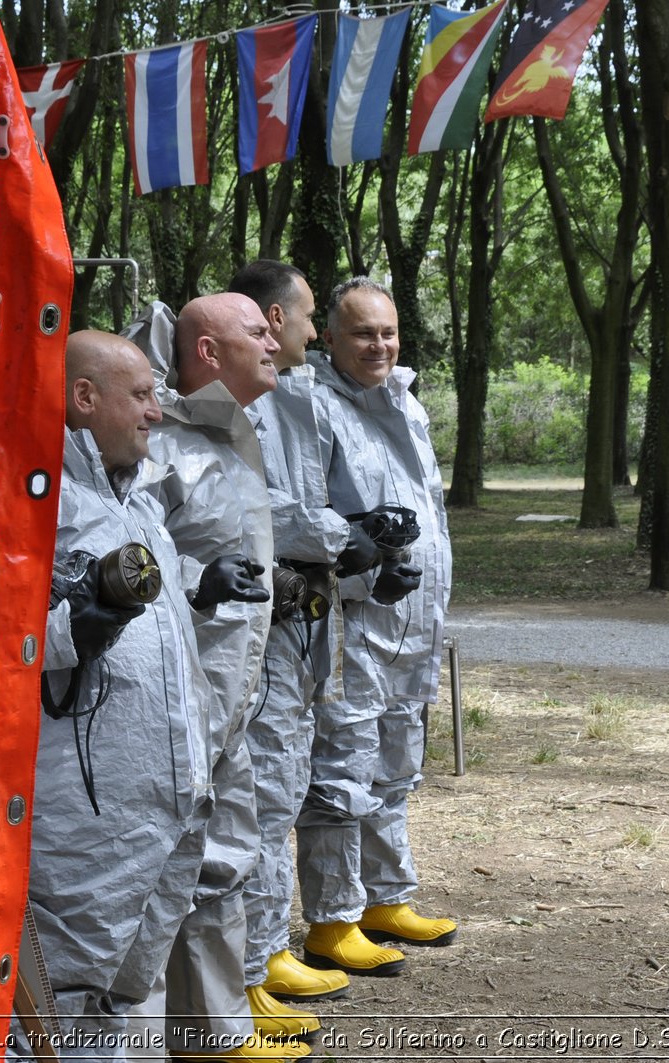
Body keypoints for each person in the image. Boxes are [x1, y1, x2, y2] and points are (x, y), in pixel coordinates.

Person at [18, 330, 214, 1063]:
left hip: (165, 807)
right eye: (141, 395)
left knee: (119, 996)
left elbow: (155, 632)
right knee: (63, 997)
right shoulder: (31, 499)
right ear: (84, 397)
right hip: (85, 823)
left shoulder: (137, 504)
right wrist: (73, 630)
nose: (156, 413)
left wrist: (200, 589)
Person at [128, 293, 306, 1063]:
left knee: (226, 854)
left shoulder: (235, 436)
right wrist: (199, 577)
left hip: (232, 698)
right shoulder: (160, 443)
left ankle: (214, 1033)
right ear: (207, 352)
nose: (273, 343)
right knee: (164, 869)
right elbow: (125, 552)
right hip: (173, 707)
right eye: (257, 333)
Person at [227, 262, 380, 1030]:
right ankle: (246, 969)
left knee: (286, 783)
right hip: (258, 624)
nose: (316, 333)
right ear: (271, 319)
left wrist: (361, 539)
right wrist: (337, 535)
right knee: (256, 797)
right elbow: (258, 507)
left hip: (298, 616)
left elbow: (307, 499)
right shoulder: (238, 406)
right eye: (311, 315)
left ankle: (265, 949)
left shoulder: (294, 398)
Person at [295, 278, 456, 978]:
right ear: (330, 338)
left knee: (398, 761)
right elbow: (302, 526)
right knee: (342, 767)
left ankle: (383, 897)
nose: (379, 345)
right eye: (363, 333)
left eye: (387, 332)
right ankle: (331, 919)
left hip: (415, 623)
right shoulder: (311, 408)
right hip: (351, 623)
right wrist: (363, 578)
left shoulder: (409, 405)